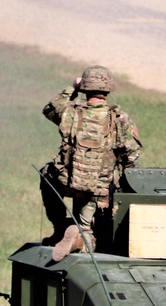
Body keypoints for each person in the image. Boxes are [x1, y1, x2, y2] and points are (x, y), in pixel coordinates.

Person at [41, 65, 142, 260]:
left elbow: (49, 108)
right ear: (108, 89)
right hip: (99, 191)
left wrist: (73, 88)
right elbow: (131, 158)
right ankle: (83, 236)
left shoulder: (69, 112)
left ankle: (60, 227)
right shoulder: (120, 119)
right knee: (90, 231)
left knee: (47, 173)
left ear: (85, 88)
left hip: (66, 184)